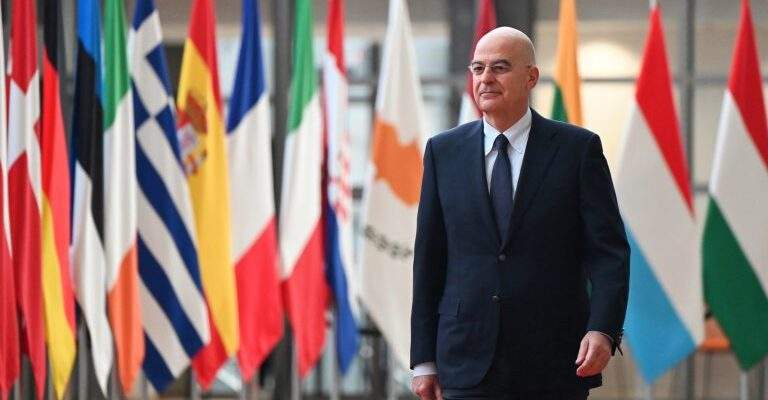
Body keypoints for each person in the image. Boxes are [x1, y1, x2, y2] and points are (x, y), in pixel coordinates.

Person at [410, 27, 629, 400]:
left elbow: (608, 253)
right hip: (464, 359)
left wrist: (603, 329)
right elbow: (430, 260)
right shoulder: (442, 152)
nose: (485, 78)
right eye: (478, 68)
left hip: (554, 360)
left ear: (531, 77)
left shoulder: (577, 150)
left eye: (500, 67)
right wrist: (424, 360)